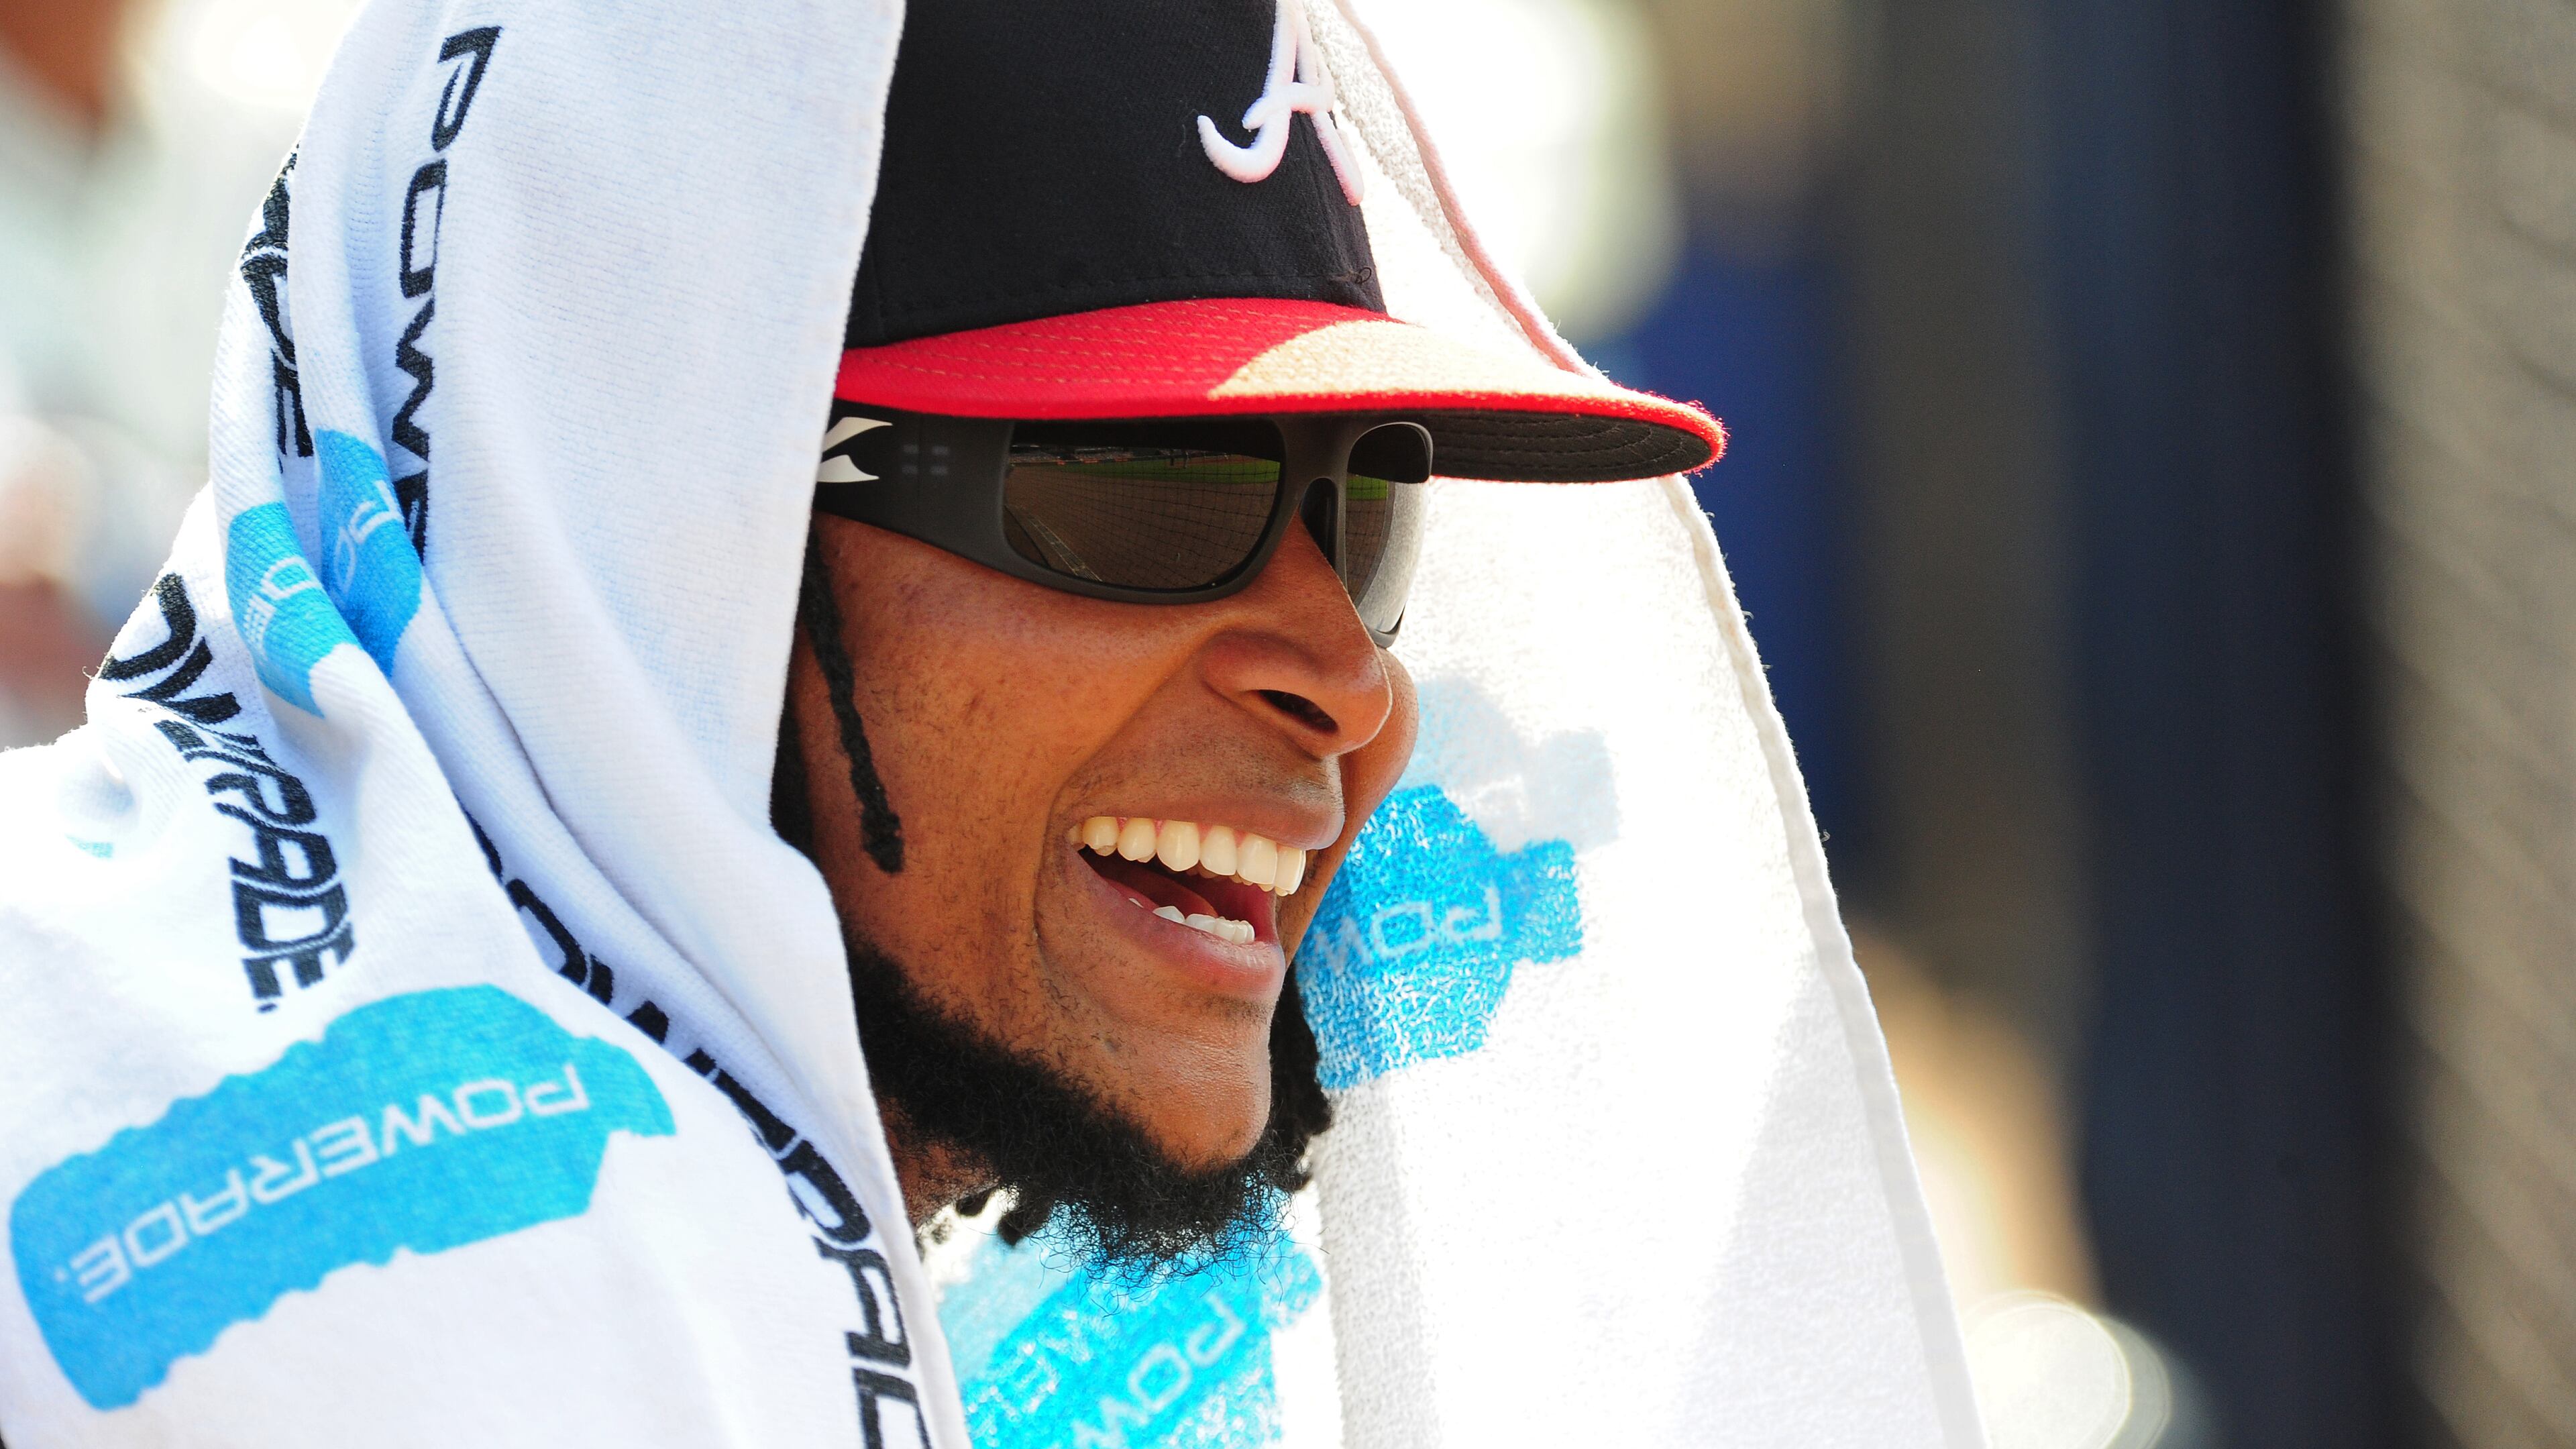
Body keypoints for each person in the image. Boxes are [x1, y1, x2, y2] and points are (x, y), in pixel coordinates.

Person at [0, 1, 1975, 1444]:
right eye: (1136, 487)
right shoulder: (359, 1302)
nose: (1351, 682)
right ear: (647, 523)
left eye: (1366, 505)